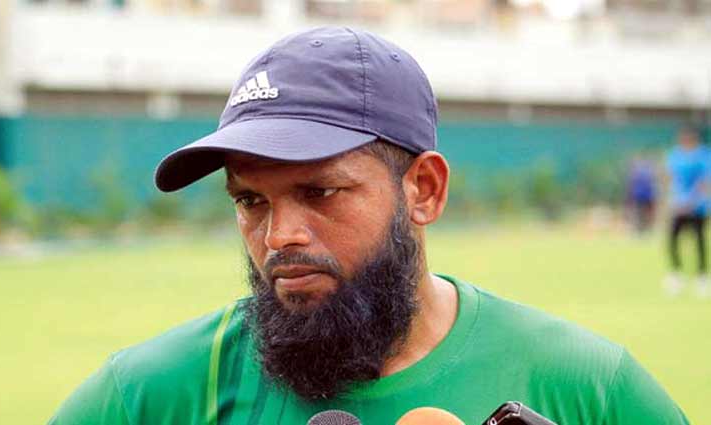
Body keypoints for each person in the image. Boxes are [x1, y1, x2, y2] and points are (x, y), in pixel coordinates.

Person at [49, 27, 688, 425]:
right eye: (250, 200)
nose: (278, 236)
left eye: (320, 191)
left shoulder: (589, 388)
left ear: (424, 190)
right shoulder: (150, 396)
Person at [664, 125, 711, 298]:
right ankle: (676, 274)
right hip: (678, 206)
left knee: (699, 240)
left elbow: (705, 181)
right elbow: (671, 179)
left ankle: (702, 276)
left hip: (698, 206)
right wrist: (674, 201)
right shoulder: (675, 155)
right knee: (673, 239)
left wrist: (691, 201)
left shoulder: (703, 155)